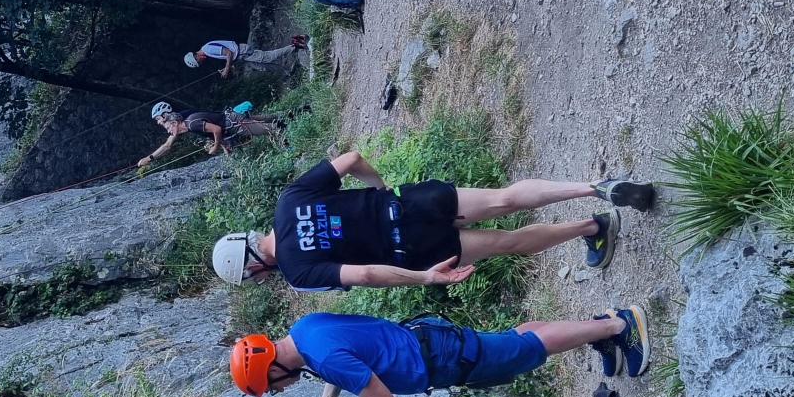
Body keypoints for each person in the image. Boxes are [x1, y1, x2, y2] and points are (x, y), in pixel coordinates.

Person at [209, 148, 656, 289]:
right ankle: (594, 187)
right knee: (505, 198)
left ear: (252, 266)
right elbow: (351, 159)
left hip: (415, 249)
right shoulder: (289, 201)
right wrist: (380, 190)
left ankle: (592, 227)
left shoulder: (296, 271)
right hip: (410, 204)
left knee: (508, 242)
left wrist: (425, 278)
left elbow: (364, 273)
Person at [229, 305, 649, 397]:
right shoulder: (304, 332)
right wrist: (329, 395)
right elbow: (342, 354)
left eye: (272, 386)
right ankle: (595, 331)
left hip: (441, 358)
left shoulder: (321, 356)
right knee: (513, 340)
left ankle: (617, 325)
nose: (279, 389)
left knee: (524, 351)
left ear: (273, 368)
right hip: (429, 340)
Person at [140, 102, 283, 167]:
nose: (159, 124)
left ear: (172, 120)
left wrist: (215, 146)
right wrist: (149, 158)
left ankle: (284, 125)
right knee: (264, 119)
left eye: (159, 119)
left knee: (267, 128)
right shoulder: (182, 124)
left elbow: (216, 129)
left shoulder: (189, 123)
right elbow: (167, 145)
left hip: (231, 123)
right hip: (229, 122)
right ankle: (288, 115)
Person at [184, 37, 307, 78]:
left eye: (199, 62)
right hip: (241, 57)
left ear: (196, 56)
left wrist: (226, 68)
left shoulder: (208, 49)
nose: (202, 62)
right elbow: (229, 56)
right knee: (264, 67)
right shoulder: (207, 51)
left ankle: (294, 46)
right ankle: (288, 71)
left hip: (243, 52)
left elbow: (229, 53)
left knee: (268, 57)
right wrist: (232, 67)